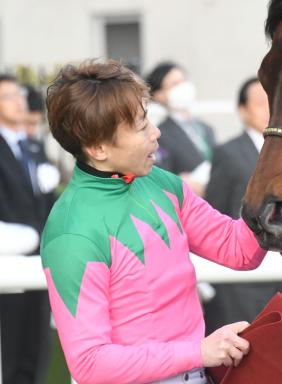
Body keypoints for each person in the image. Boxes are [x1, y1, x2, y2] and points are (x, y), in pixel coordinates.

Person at [41, 60, 267, 384]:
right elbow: (89, 364)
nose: (155, 133)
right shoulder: (70, 231)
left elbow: (238, 249)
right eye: (139, 125)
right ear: (97, 147)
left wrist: (278, 190)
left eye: (148, 118)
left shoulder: (162, 182)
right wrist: (199, 352)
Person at [203, 77, 282, 332]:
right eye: (261, 103)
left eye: (274, 102)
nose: (269, 109)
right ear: (242, 111)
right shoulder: (228, 153)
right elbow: (216, 211)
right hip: (250, 285)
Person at [0, 75, 55, 383]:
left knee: (38, 344)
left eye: (19, 94)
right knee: (12, 346)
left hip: (40, 257)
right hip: (10, 258)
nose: (19, 101)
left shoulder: (32, 145)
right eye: (9, 96)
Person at [146, 61, 216, 197]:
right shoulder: (160, 134)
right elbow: (160, 177)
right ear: (159, 95)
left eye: (184, 80)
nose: (183, 87)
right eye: (175, 84)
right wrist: (180, 182)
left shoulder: (207, 129)